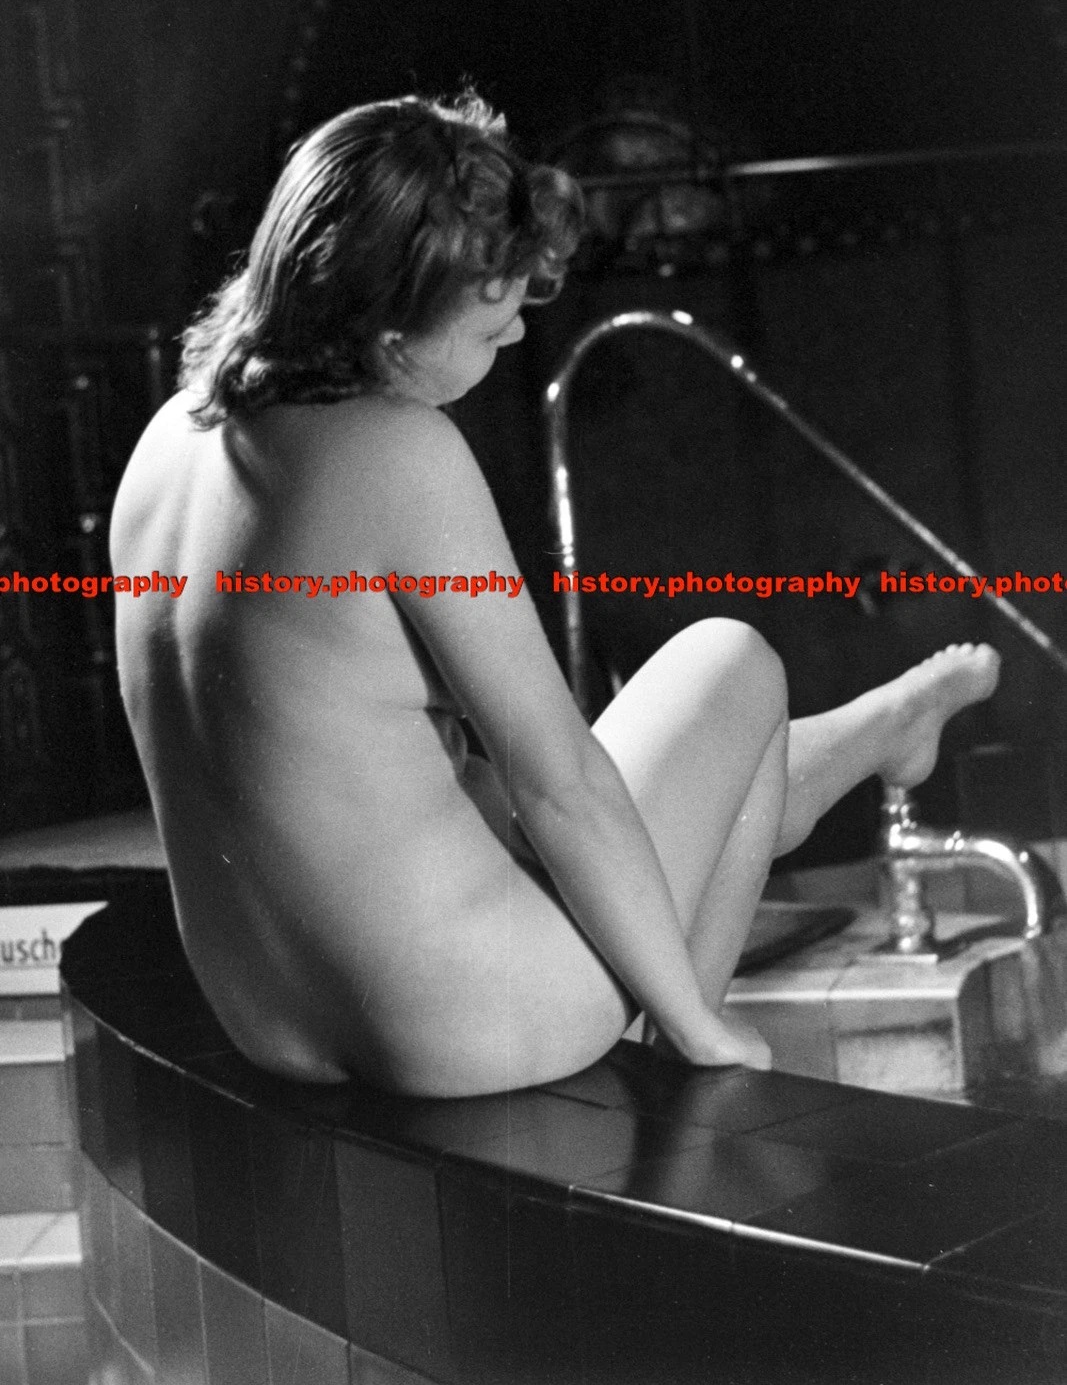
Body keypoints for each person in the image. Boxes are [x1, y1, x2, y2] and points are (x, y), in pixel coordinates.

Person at [110, 93, 1000, 1097]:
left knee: (618, 784)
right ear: (392, 334)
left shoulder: (166, 443)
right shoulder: (398, 450)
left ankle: (879, 728)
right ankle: (680, 1064)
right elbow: (560, 783)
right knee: (731, 663)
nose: (504, 354)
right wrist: (696, 1023)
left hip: (265, 1020)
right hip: (469, 1024)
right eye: (491, 331)